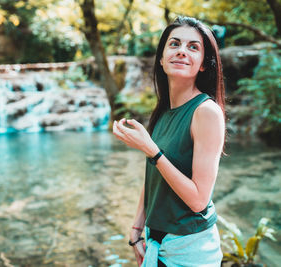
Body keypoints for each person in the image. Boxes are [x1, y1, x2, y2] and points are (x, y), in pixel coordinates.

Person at [112, 16, 225, 267]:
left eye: (193, 47)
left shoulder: (206, 112)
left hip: (190, 248)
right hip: (157, 240)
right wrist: (136, 227)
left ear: (204, 65)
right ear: (162, 59)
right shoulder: (163, 111)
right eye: (174, 44)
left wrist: (152, 150)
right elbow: (153, 175)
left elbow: (198, 200)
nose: (182, 51)